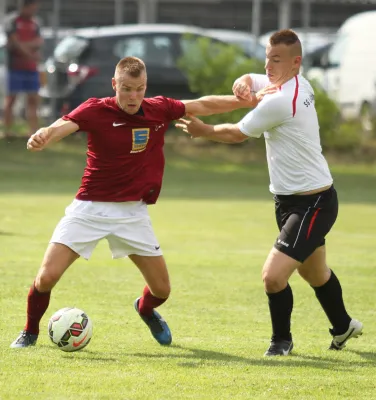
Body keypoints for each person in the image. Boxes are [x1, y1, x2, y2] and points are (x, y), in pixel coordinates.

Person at [10, 56, 273, 349]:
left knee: (162, 290)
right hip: (89, 209)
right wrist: (44, 135)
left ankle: (145, 308)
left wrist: (245, 103)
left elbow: (202, 104)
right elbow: (63, 124)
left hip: (132, 214)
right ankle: (29, 333)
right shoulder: (96, 109)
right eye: (127, 89)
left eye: (139, 88)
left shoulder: (158, 109)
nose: (134, 96)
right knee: (46, 277)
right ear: (115, 85)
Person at [176, 29, 363, 356]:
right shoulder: (294, 83)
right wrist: (242, 81)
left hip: (313, 202)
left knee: (273, 277)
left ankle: (281, 342)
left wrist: (203, 130)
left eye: (276, 60)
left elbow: (236, 134)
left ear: (296, 63)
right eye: (266, 58)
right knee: (314, 273)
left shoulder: (281, 101)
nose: (268, 66)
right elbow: (253, 78)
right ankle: (344, 325)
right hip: (288, 201)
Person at [4, 0, 43, 139]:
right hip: (15, 68)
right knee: (11, 99)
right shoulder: (12, 21)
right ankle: (8, 131)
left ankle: (33, 132)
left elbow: (39, 41)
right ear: (25, 7)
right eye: (32, 8)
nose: (34, 11)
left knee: (33, 99)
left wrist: (24, 48)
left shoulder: (35, 22)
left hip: (31, 69)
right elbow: (14, 43)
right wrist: (30, 54)